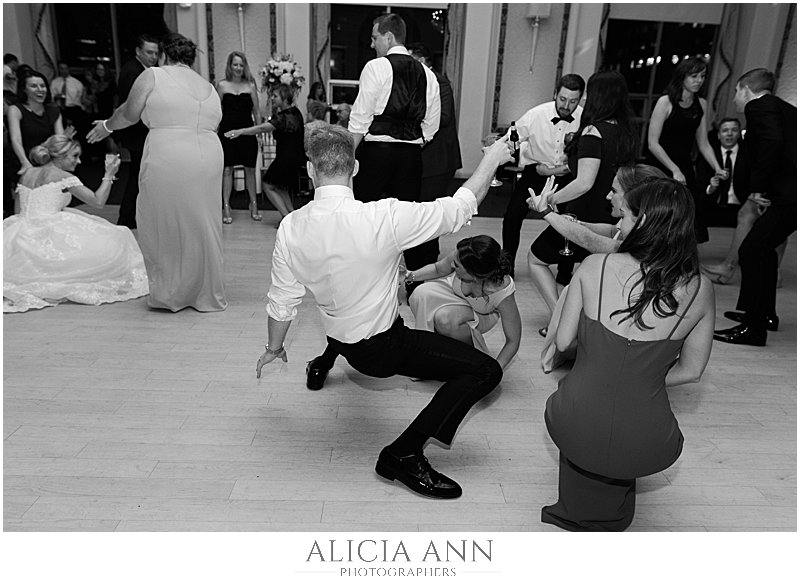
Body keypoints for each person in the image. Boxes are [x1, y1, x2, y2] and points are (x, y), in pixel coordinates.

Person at [256, 125, 513, 499]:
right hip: (383, 349)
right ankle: (403, 454)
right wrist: (492, 159)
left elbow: (283, 302)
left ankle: (324, 361)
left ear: (310, 170)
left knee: (341, 296)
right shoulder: (383, 217)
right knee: (486, 371)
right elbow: (460, 207)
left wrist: (274, 347)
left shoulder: (290, 228)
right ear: (355, 167)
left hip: (343, 339)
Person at [541, 178, 715, 531]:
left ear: (644, 220)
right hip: (646, 437)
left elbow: (562, 342)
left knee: (575, 404)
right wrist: (642, 379)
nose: (618, 222)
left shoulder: (595, 266)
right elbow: (692, 370)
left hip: (576, 421)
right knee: (624, 432)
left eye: (624, 216)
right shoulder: (700, 288)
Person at [87, 33, 227, 313]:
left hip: (170, 152)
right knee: (202, 222)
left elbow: (129, 112)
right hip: (209, 154)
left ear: (165, 55)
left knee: (162, 219)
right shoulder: (209, 87)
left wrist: (106, 126)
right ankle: (204, 292)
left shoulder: (153, 75)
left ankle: (172, 293)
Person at [528, 164, 667, 370]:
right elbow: (611, 232)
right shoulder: (645, 224)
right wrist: (576, 222)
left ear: (635, 195)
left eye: (614, 191)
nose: (608, 196)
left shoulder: (642, 238)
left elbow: (594, 241)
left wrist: (547, 212)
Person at [527, 70, 638, 326]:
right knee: (590, 275)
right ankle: (582, 322)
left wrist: (550, 200)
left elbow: (584, 182)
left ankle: (560, 318)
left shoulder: (592, 131)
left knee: (536, 259)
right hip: (614, 211)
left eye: (589, 93)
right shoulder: (627, 132)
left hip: (583, 212)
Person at [348, 13, 441, 293]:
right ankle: (414, 289)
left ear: (389, 37)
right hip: (410, 158)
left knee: (367, 221)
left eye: (375, 37)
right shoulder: (428, 74)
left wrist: (348, 158)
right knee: (407, 223)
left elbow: (360, 119)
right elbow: (432, 126)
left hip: (376, 155)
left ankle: (366, 285)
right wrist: (411, 143)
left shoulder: (375, 67)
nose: (371, 43)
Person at [3, 134, 147, 313]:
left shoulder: (26, 174)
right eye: (75, 156)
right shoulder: (63, 176)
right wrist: (109, 175)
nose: (78, 161)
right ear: (60, 156)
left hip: (19, 229)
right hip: (49, 227)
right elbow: (98, 201)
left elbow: (19, 211)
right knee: (117, 237)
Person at [713, 68, 796, 347]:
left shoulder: (759, 106)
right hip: (788, 194)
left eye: (737, 91)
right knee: (765, 250)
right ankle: (765, 314)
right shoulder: (786, 109)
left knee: (751, 250)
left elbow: (772, 143)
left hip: (790, 196)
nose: (735, 98)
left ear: (746, 89)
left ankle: (754, 328)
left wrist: (758, 187)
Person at [498, 74, 585, 275]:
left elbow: (585, 159)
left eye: (573, 101)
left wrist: (556, 171)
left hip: (568, 175)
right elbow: (511, 139)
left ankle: (565, 272)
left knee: (569, 221)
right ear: (555, 94)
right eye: (562, 99)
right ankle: (507, 267)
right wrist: (497, 148)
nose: (566, 106)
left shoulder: (585, 119)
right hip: (535, 172)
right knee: (512, 217)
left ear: (580, 99)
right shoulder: (536, 114)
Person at [407, 235, 521, 370]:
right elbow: (438, 269)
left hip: (482, 315)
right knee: (420, 294)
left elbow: (513, 340)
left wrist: (495, 370)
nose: (452, 265)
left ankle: (471, 357)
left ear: (475, 275)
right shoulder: (462, 254)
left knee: (445, 319)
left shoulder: (502, 291)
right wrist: (409, 276)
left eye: (456, 266)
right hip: (451, 293)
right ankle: (432, 352)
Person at [700, 117, 788, 287]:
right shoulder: (713, 153)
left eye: (734, 130)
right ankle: (733, 267)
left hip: (780, 185)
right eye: (725, 130)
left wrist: (760, 191)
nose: (730, 134)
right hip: (774, 183)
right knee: (754, 216)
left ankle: (771, 272)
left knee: (776, 220)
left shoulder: (762, 144)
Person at [646, 56, 725, 243]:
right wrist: (674, 169)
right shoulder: (665, 102)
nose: (699, 80)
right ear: (682, 77)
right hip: (661, 162)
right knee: (658, 213)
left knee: (688, 212)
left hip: (684, 163)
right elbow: (652, 143)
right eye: (694, 76)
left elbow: (703, 143)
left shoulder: (702, 104)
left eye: (702, 76)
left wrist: (717, 167)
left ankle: (678, 253)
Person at [407, 42, 463, 290]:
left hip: (438, 160)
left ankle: (426, 270)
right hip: (421, 161)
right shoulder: (415, 82)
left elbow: (444, 117)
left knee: (428, 214)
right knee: (420, 213)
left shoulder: (440, 82)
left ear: (422, 61)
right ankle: (422, 268)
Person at [224, 83, 304, 222]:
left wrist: (240, 131)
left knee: (267, 185)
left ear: (285, 98)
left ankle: (286, 218)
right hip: (295, 156)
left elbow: (261, 128)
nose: (272, 98)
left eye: (275, 96)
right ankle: (292, 216)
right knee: (280, 187)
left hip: (286, 157)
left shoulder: (283, 116)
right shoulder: (296, 112)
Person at [114, 34, 160, 229]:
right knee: (137, 176)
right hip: (136, 133)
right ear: (138, 51)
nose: (153, 57)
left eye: (156, 53)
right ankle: (127, 217)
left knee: (141, 176)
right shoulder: (131, 71)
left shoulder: (146, 70)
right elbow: (131, 106)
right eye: (149, 52)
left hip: (142, 133)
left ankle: (135, 215)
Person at [216, 51, 262, 224]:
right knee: (227, 169)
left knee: (250, 169)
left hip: (247, 132)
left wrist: (258, 133)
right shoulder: (221, 85)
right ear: (230, 66)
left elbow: (256, 111)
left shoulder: (250, 85)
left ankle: (254, 204)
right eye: (235, 64)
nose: (238, 68)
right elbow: (216, 111)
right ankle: (226, 205)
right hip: (226, 133)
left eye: (241, 65)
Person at [7, 70, 65, 178]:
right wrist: (25, 163)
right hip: (24, 161)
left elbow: (59, 140)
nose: (40, 89)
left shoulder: (53, 110)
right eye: (34, 86)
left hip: (50, 162)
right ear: (24, 89)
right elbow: (16, 140)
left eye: (42, 86)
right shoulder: (15, 110)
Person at [50, 61, 86, 131]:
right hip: (59, 109)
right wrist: (56, 97)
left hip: (73, 110)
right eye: (61, 68)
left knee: (74, 131)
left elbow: (80, 99)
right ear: (59, 69)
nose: (64, 71)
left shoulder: (77, 83)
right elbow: (51, 97)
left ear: (69, 69)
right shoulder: (54, 82)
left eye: (65, 68)